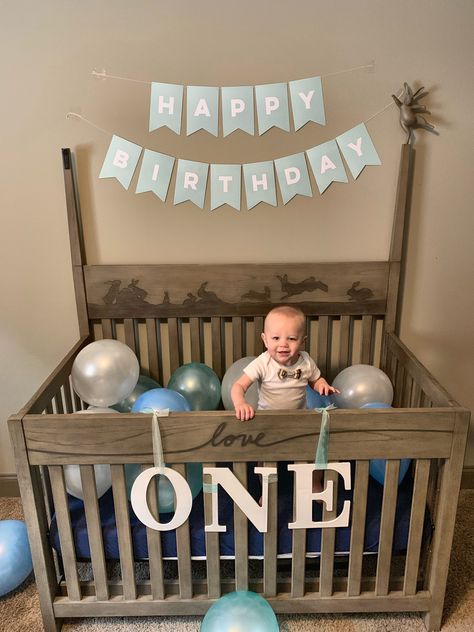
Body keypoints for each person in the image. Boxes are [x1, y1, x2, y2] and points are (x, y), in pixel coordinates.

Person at [230, 305, 339, 493]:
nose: (283, 344)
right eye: (275, 338)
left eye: (291, 338)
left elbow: (315, 379)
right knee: (264, 459)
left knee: (314, 452)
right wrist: (241, 403)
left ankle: (314, 484)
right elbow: (238, 386)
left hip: (299, 420)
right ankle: (267, 491)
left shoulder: (305, 361)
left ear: (302, 341)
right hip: (268, 422)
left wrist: (321, 385)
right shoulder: (263, 362)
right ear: (264, 339)